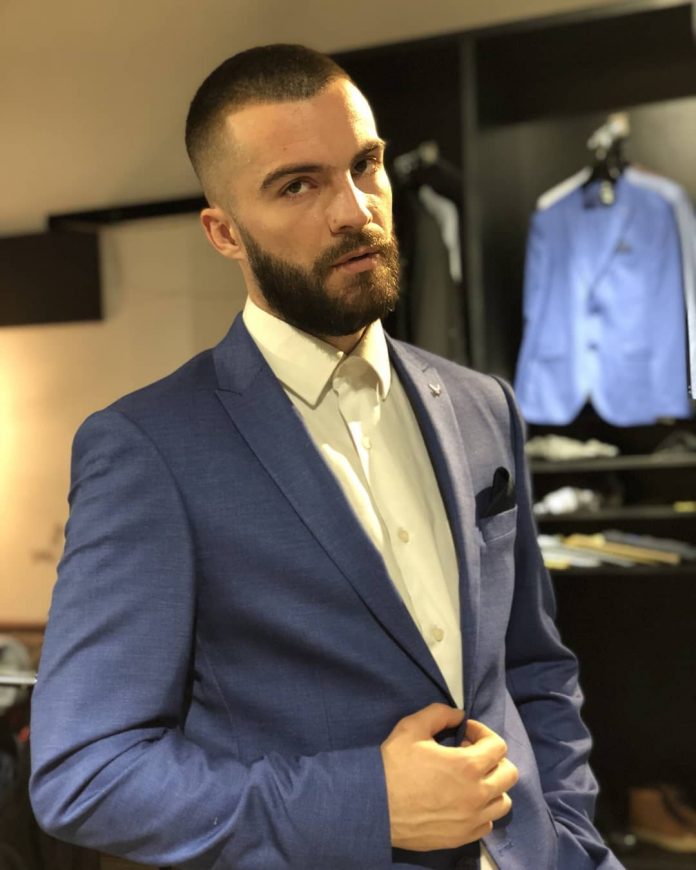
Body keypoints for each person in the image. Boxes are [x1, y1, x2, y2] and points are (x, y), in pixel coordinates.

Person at [29, 44, 623, 870]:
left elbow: (532, 666)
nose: (355, 209)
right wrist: (368, 802)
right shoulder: (151, 448)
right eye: (297, 185)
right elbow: (85, 775)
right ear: (224, 232)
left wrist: (574, 842)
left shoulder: (482, 406)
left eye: (366, 165)